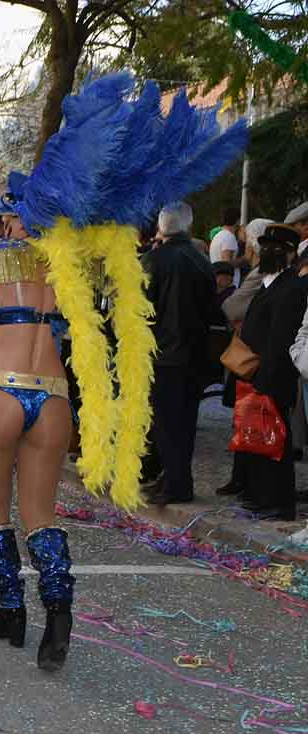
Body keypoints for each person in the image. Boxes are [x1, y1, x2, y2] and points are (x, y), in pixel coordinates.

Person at [0, 74, 246, 674]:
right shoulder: (71, 266)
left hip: (0, 391)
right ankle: (59, 613)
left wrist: (0, 198)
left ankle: (11, 612)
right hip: (52, 398)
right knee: (42, 515)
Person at [142, 202, 217, 506]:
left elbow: (142, 308)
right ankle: (177, 479)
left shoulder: (155, 260)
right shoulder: (201, 260)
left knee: (165, 422)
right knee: (185, 422)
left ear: (161, 227)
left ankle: (175, 484)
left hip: (164, 353)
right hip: (194, 353)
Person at [236, 224, 306, 520]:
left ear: (290, 254)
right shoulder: (269, 282)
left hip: (274, 375)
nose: (268, 253)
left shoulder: (293, 287)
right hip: (256, 372)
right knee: (259, 438)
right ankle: (261, 495)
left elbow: (281, 338)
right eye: (265, 247)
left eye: (276, 248)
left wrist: (266, 376)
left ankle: (279, 501)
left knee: (277, 441)